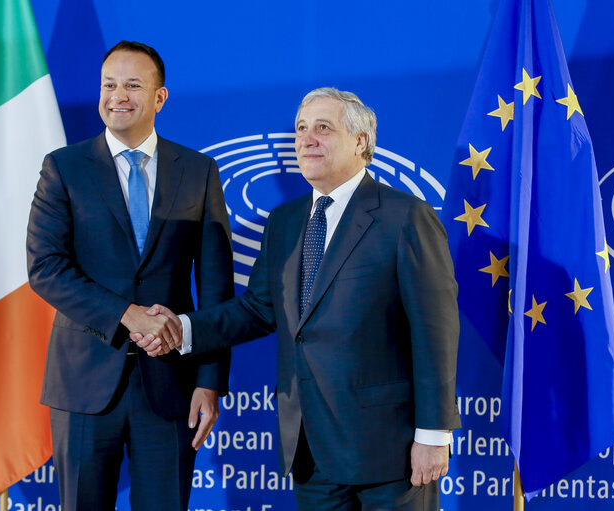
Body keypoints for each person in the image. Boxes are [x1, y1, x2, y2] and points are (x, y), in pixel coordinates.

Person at [135, 88, 461, 510]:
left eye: (323, 128)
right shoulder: (285, 221)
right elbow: (258, 308)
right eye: (301, 129)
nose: (306, 139)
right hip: (308, 447)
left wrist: (433, 437)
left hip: (390, 450)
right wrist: (183, 329)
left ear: (360, 142)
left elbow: (435, 332)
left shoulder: (405, 217)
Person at [26, 41, 232, 511]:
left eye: (132, 85)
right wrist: (128, 316)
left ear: (159, 97)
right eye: (109, 84)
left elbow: (217, 287)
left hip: (171, 387)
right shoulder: (64, 167)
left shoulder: (198, 171)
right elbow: (46, 268)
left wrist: (209, 380)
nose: (117, 96)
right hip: (83, 381)